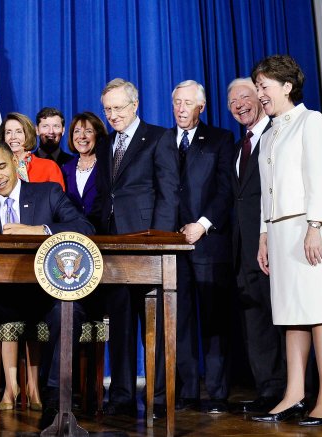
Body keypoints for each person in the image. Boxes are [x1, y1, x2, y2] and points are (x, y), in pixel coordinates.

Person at [251, 55, 322, 426]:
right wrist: (263, 235)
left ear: (286, 86)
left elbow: (320, 177)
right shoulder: (271, 132)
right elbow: (265, 190)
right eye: (257, 87)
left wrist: (316, 225)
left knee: (319, 312)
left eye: (264, 86)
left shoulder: (311, 121)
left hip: (307, 229)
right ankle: (294, 393)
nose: (260, 94)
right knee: (292, 315)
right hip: (278, 231)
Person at [0, 140, 94, 427]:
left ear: (15, 163)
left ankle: (55, 399)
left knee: (69, 309)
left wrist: (39, 230)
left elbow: (85, 228)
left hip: (43, 295)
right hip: (3, 300)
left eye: (1, 166)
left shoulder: (47, 193)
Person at [89, 78, 180, 417]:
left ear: (135, 105)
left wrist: (158, 240)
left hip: (145, 243)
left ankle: (158, 397)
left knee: (152, 323)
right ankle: (123, 396)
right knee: (120, 324)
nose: (113, 115)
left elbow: (169, 193)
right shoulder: (105, 144)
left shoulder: (159, 137)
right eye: (108, 109)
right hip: (112, 246)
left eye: (118, 108)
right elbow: (104, 196)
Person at [170, 80, 235, 414]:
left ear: (202, 106)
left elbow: (226, 190)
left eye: (187, 103)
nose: (181, 108)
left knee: (214, 321)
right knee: (179, 321)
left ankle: (219, 394)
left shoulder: (222, 140)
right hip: (174, 246)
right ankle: (187, 392)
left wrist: (203, 224)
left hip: (209, 242)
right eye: (176, 102)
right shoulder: (164, 141)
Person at [227, 77, 285, 413]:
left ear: (261, 97)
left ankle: (297, 389)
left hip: (273, 245)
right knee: (257, 322)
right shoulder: (239, 146)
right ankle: (269, 390)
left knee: (283, 318)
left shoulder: (277, 135)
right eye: (232, 101)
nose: (238, 105)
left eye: (244, 97)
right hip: (244, 250)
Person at [0, 112, 65, 190]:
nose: (13, 137)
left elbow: (59, 200)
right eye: (8, 132)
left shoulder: (49, 167)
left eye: (19, 131)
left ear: (28, 135)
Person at [61, 112, 107, 216]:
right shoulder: (65, 169)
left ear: (98, 135)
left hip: (103, 230)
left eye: (88, 131)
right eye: (76, 131)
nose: (81, 136)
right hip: (74, 229)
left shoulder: (108, 166)